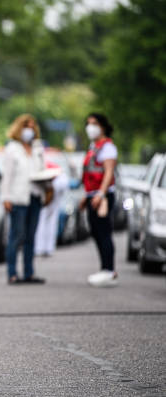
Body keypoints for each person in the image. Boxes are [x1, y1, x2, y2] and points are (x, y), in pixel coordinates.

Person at [1, 114, 47, 284]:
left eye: (33, 126)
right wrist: (6, 197)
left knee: (30, 237)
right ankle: (12, 273)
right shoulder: (12, 148)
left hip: (35, 196)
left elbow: (41, 170)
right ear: (19, 128)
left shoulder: (37, 148)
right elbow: (7, 176)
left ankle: (29, 272)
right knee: (17, 236)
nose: (30, 130)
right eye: (27, 126)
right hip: (18, 198)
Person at [80, 113, 118, 287]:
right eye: (88, 123)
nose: (90, 127)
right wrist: (85, 196)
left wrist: (101, 194)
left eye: (94, 123)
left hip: (102, 196)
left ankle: (109, 270)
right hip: (92, 194)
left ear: (102, 126)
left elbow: (108, 172)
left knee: (104, 232)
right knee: (96, 232)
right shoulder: (93, 146)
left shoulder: (108, 147)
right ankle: (105, 268)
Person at [34, 161, 69, 257]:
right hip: (51, 190)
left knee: (42, 221)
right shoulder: (51, 164)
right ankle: (46, 247)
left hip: (50, 192)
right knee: (49, 221)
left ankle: (41, 247)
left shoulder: (47, 164)